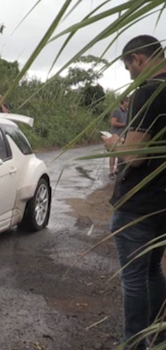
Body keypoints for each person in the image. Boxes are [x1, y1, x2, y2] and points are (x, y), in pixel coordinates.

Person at [102, 35, 166, 349]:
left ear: (139, 59)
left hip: (139, 204)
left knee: (134, 278)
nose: (131, 77)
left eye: (130, 69)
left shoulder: (148, 92)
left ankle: (134, 343)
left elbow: (136, 156)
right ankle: (159, 335)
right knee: (153, 269)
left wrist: (113, 144)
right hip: (162, 205)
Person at [109, 97, 129, 177]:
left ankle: (118, 169)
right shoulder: (117, 111)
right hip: (116, 134)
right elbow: (113, 123)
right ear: (124, 102)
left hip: (123, 135)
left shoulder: (127, 112)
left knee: (121, 153)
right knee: (113, 153)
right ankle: (111, 171)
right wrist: (124, 124)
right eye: (128, 102)